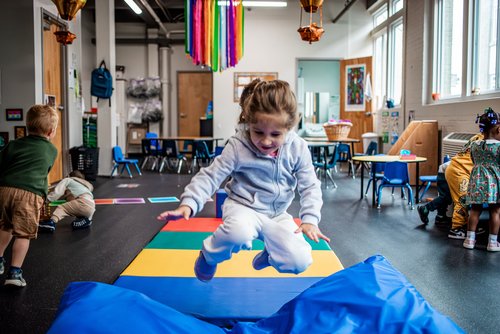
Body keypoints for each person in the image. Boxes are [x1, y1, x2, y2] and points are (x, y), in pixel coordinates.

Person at [157, 79, 329, 282]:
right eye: (258, 132)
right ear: (248, 122)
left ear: (289, 127)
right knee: (238, 233)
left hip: (277, 214)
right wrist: (189, 204)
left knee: (299, 260)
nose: (266, 141)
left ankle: (271, 255)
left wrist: (310, 219)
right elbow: (212, 175)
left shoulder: (297, 148)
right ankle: (208, 257)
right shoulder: (238, 146)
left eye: (275, 134)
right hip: (243, 207)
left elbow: (310, 185)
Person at [0, 105, 58, 287]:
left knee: (5, 225)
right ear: (50, 131)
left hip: (5, 190)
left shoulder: (13, 144)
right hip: (29, 194)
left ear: (27, 126)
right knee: (23, 234)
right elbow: (44, 171)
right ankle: (15, 273)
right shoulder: (51, 150)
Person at [462, 108, 500, 251]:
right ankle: (492, 242)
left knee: (475, 210)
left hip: (477, 180)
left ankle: (469, 240)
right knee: (495, 211)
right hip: (494, 183)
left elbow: (473, 160)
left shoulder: (474, 145)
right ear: (498, 130)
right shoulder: (499, 147)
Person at [445, 133, 484, 239]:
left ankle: (469, 226)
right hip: (459, 171)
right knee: (462, 200)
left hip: (461, 169)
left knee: (467, 199)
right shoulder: (486, 142)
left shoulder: (480, 136)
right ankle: (456, 229)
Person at [417, 160, 452, 227]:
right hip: (447, 171)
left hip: (444, 170)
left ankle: (440, 217)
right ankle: (426, 208)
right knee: (446, 196)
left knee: (445, 196)